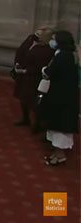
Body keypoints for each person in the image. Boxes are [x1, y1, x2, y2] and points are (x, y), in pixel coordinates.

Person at [38, 31, 79, 166]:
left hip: (62, 99)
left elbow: (52, 71)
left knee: (60, 127)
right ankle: (56, 153)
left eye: (54, 39)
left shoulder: (64, 56)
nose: (52, 41)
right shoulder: (65, 54)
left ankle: (60, 156)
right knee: (56, 126)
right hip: (60, 95)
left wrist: (45, 70)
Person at [11, 27, 54, 130]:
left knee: (35, 102)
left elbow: (40, 67)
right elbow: (20, 51)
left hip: (34, 79)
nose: (35, 37)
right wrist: (17, 63)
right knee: (22, 98)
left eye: (39, 35)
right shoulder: (30, 39)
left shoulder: (47, 50)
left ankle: (38, 123)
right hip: (22, 76)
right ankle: (25, 118)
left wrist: (26, 71)